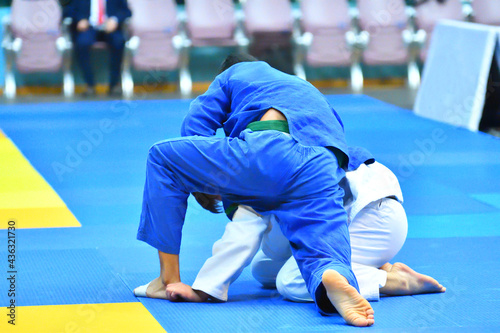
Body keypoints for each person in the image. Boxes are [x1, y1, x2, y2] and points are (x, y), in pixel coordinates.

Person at [136, 54, 374, 326]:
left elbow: (195, 128)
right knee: (324, 250)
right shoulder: (302, 87)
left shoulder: (231, 75)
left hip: (271, 147)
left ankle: (167, 279)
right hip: (323, 165)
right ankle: (332, 279)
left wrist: (201, 184)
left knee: (161, 158)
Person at [143, 159, 445, 305]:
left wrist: (202, 290)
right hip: (371, 208)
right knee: (263, 271)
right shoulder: (255, 150)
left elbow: (252, 238)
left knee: (291, 281)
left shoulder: (249, 173)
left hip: (372, 219)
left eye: (221, 198)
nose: (226, 202)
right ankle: (368, 264)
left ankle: (394, 280)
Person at [72, 0, 131, 95]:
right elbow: (69, 11)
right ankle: (90, 85)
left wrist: (115, 20)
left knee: (119, 41)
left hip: (110, 27)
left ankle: (114, 85)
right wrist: (80, 19)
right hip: (89, 28)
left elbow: (126, 12)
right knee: (81, 43)